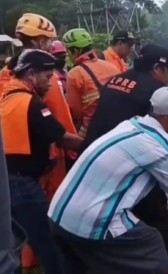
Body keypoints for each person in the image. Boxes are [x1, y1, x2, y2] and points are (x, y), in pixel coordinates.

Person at [48, 87, 168, 274]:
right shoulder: (163, 146)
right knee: (153, 249)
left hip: (58, 215)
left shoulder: (130, 125)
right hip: (93, 223)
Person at [78, 44, 168, 274]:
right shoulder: (155, 92)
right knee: (161, 224)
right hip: (126, 168)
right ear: (157, 68)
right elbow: (162, 140)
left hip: (93, 162)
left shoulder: (114, 81)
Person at [1, 13, 78, 270]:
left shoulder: (7, 78)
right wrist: (85, 148)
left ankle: (24, 264)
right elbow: (62, 126)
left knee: (12, 234)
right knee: (47, 231)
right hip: (38, 164)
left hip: (9, 167)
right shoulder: (36, 92)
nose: (47, 82)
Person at [63, 28, 119, 138]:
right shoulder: (112, 67)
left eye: (68, 51)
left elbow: (76, 111)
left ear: (75, 51)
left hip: (91, 131)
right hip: (116, 126)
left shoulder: (75, 74)